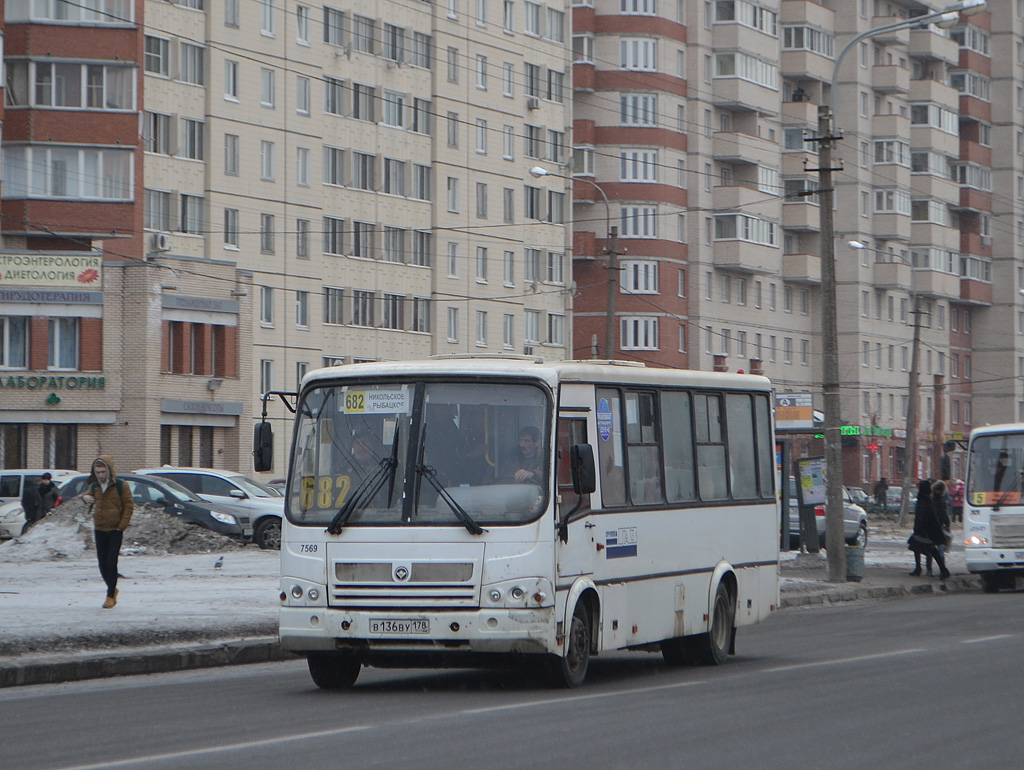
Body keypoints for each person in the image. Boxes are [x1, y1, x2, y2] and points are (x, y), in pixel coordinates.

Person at [82, 456, 134, 608]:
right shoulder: (95, 485)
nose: (100, 475)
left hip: (115, 529)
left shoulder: (120, 485)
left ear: (110, 470)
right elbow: (87, 497)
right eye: (97, 472)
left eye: (103, 471)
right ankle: (112, 587)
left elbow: (129, 506)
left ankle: (110, 594)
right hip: (99, 528)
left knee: (111, 562)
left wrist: (121, 527)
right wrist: (85, 498)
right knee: (102, 564)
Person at [907, 478, 950, 580]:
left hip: (924, 531)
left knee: (927, 549)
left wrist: (923, 528)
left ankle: (942, 570)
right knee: (920, 548)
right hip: (924, 530)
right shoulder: (924, 499)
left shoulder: (925, 501)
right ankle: (923, 568)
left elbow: (927, 517)